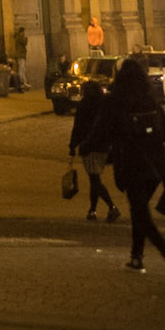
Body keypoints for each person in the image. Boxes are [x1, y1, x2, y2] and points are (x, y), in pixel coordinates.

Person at [106, 54, 165, 278]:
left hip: (131, 165)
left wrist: (85, 147)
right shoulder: (150, 100)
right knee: (139, 210)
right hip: (155, 168)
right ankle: (136, 257)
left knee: (140, 214)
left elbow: (102, 128)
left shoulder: (117, 99)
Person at [67, 79, 120, 222]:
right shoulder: (104, 103)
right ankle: (92, 210)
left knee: (94, 179)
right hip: (105, 145)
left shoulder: (84, 105)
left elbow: (77, 127)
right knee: (94, 179)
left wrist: (72, 146)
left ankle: (112, 207)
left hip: (89, 146)